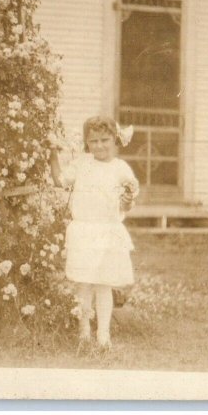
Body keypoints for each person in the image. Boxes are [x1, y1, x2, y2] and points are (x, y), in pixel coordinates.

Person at [49, 116, 139, 349]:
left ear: (115, 140)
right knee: (84, 284)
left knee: (104, 284)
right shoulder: (82, 163)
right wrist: (51, 154)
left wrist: (128, 200)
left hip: (107, 231)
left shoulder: (121, 169)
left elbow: (128, 204)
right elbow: (60, 180)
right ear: (87, 143)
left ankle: (104, 334)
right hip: (84, 230)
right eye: (93, 141)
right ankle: (84, 332)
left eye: (104, 140)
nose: (98, 146)